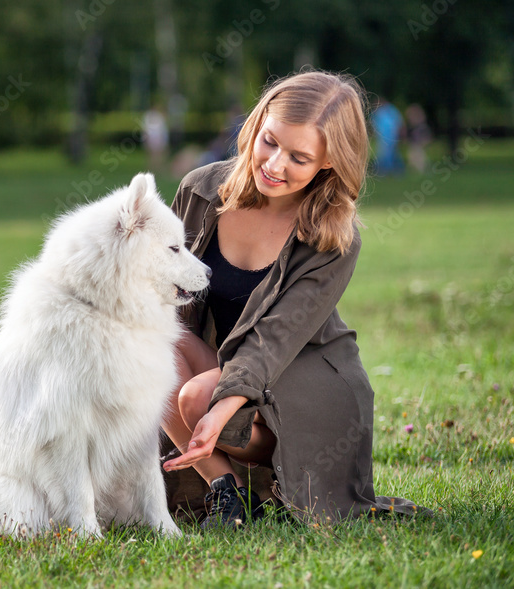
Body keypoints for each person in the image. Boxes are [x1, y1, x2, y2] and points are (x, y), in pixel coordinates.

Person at [161, 70, 425, 528]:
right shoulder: (199, 191)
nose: (275, 165)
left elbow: (276, 338)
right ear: (257, 122)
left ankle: (265, 476)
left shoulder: (333, 235)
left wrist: (224, 402)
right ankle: (230, 494)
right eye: (270, 141)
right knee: (151, 347)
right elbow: (158, 292)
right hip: (226, 362)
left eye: (299, 158)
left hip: (301, 375)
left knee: (195, 398)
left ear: (328, 162)